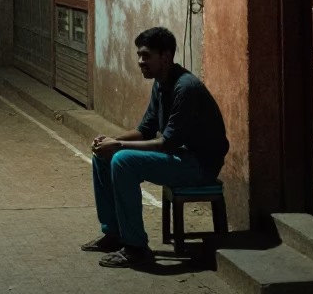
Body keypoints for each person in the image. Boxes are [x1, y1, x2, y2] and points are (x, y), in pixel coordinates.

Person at [83, 26, 229, 269]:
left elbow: (166, 143)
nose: (140, 61)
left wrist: (118, 145)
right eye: (139, 55)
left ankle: (136, 248)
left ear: (166, 56)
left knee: (123, 160)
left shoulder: (186, 88)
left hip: (199, 166)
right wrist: (110, 141)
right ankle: (114, 235)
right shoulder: (161, 83)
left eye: (146, 55)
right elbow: (146, 130)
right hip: (181, 156)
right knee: (104, 156)